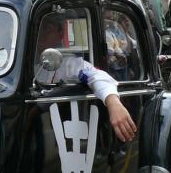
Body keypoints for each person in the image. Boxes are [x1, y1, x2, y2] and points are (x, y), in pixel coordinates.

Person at [35, 13, 136, 143]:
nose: (41, 35)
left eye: (47, 30)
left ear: (61, 33)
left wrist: (113, 102)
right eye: (39, 29)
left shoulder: (68, 64)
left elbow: (94, 75)